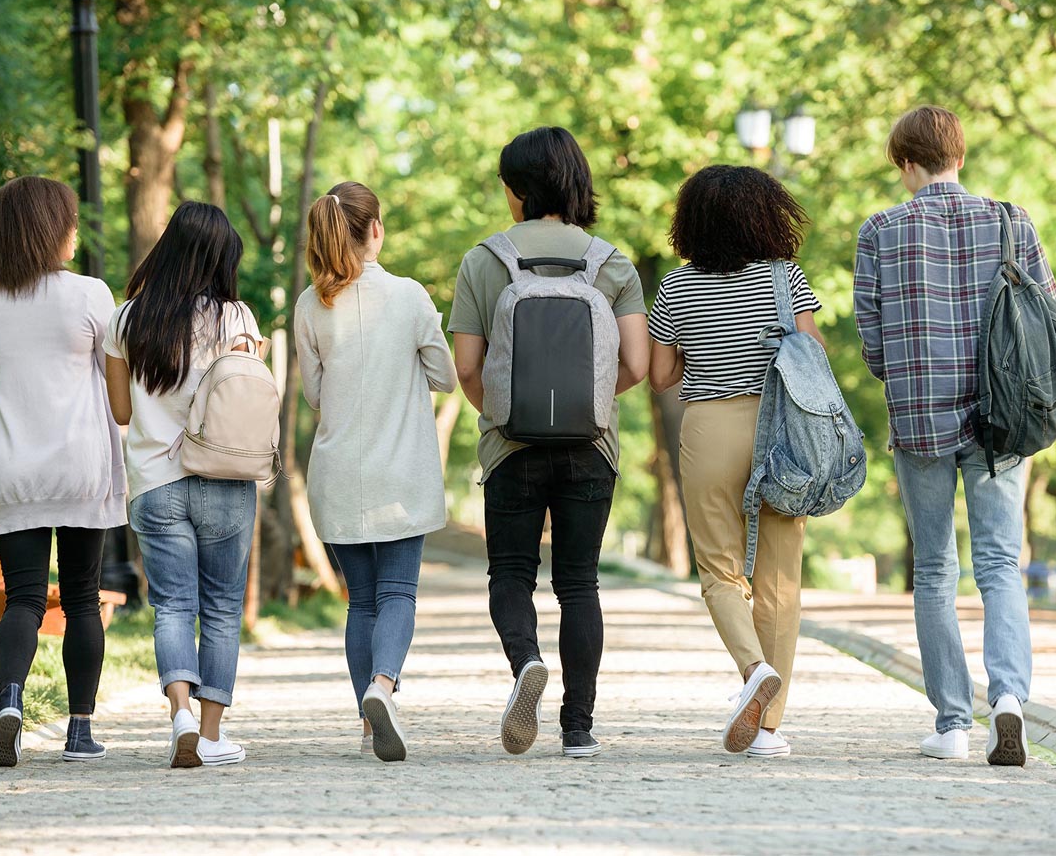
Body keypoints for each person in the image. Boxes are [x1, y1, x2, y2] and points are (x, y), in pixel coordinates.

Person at [854, 105, 1056, 766]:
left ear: (907, 165)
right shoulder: (1010, 221)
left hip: (921, 420)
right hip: (1004, 418)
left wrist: (910, 375)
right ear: (959, 157)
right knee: (1001, 565)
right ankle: (1009, 700)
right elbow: (1047, 311)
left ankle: (951, 724)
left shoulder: (880, 230)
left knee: (935, 570)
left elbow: (872, 336)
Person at [449, 126, 649, 759]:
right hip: (592, 448)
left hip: (511, 449)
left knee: (511, 574)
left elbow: (465, 367)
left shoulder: (485, 259)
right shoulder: (611, 262)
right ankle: (579, 729)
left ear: (517, 190)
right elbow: (638, 364)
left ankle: (526, 663)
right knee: (579, 582)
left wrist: (509, 413)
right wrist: (587, 404)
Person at [648, 165, 823, 758]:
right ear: (765, 214)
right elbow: (812, 354)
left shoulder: (674, 286)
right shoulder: (786, 277)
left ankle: (753, 671)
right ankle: (768, 728)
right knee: (779, 576)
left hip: (710, 427)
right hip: (781, 430)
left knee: (721, 570)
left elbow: (661, 375)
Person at [0, 176, 127, 767]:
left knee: (24, 599)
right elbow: (115, 380)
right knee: (83, 598)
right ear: (48, 229)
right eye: (70, 222)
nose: (76, 233)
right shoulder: (90, 294)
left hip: (12, 471)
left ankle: (10, 702)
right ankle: (79, 732)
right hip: (80, 468)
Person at [295, 182, 457, 763]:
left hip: (337, 470)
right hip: (400, 474)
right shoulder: (410, 296)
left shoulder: (311, 306)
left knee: (361, 601)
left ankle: (367, 724)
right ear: (375, 230)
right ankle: (382, 687)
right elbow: (444, 374)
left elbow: (315, 394)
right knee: (398, 593)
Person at [103, 201, 264, 768]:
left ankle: (180, 717)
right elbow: (248, 398)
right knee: (221, 608)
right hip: (224, 477)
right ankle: (213, 736)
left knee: (172, 605)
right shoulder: (237, 318)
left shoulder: (125, 319)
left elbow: (122, 412)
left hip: (154, 481)